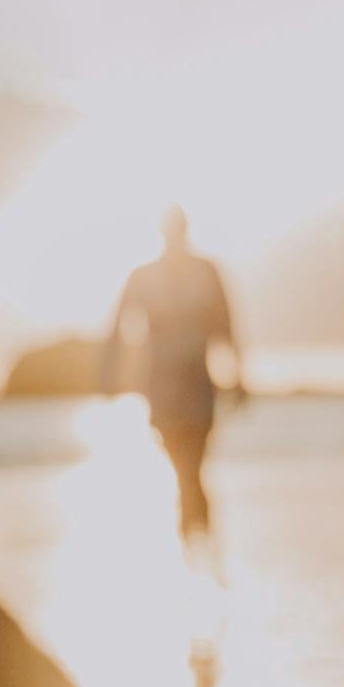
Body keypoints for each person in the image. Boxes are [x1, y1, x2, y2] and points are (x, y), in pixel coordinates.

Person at [100, 206, 243, 541]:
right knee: (182, 460)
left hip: (197, 380)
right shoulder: (145, 275)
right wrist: (108, 375)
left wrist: (239, 377)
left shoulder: (206, 272)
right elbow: (117, 326)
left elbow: (227, 325)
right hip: (162, 384)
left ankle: (194, 529)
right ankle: (196, 526)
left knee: (194, 459)